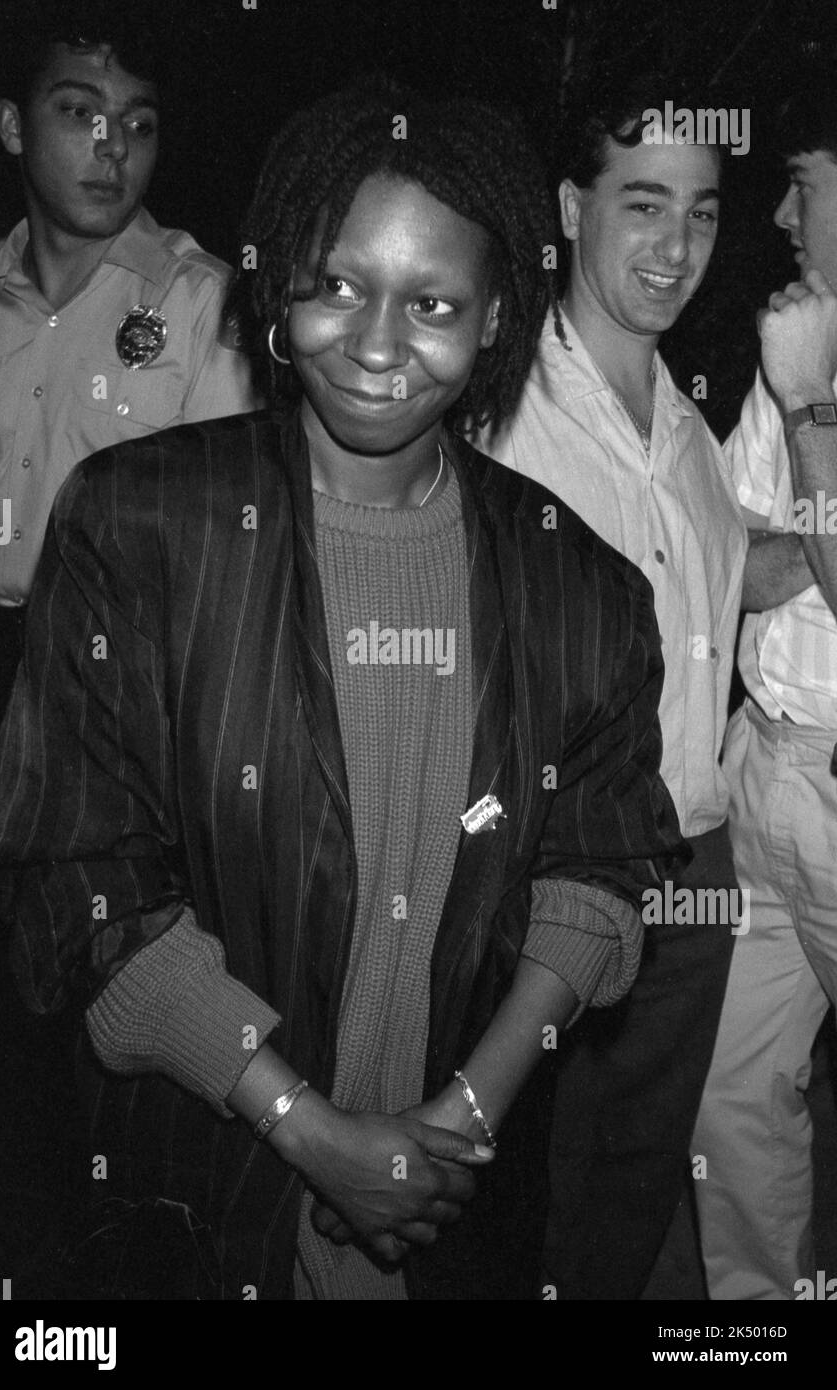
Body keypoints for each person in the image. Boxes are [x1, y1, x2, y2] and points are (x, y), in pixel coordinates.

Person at [0, 76, 684, 1301]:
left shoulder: (580, 585)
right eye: (338, 285)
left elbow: (599, 868)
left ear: (495, 317)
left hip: (453, 1222)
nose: (371, 344)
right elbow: (75, 877)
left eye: (431, 304)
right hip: (195, 1205)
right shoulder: (141, 524)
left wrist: (460, 1119)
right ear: (282, 280)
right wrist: (311, 1132)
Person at [481, 77, 747, 1299]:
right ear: (568, 205)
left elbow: (728, 589)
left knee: (631, 1191)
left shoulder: (691, 435)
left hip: (694, 865)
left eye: (697, 210)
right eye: (642, 204)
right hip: (550, 870)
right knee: (520, 1194)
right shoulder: (497, 406)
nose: (674, 245)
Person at [0, 13, 256, 870]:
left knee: (100, 973)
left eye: (137, 123)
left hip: (122, 702)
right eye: (78, 111)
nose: (111, 145)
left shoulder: (205, 307)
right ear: (13, 128)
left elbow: (222, 556)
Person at [693, 85, 837, 1300]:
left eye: (806, 181)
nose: (780, 212)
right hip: (760, 768)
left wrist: (806, 411)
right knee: (729, 1098)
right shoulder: (801, 327)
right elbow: (734, 563)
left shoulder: (797, 363)